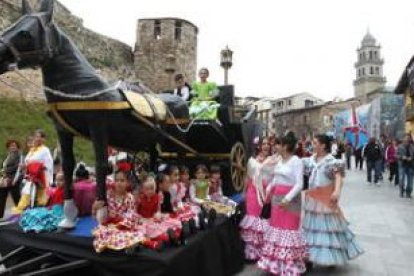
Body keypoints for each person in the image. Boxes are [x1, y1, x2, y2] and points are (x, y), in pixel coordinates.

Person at [302, 134, 363, 267]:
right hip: (312, 199)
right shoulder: (310, 160)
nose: (312, 145)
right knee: (312, 228)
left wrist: (337, 191)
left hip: (326, 198)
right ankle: (309, 258)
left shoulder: (331, 161)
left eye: (315, 142)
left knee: (328, 229)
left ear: (323, 145)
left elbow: (338, 176)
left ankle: (331, 256)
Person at [258, 132, 307, 275]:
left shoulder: (296, 161)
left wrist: (288, 198)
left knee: (289, 230)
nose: (275, 146)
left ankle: (290, 267)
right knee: (277, 229)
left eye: (278, 144)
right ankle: (277, 266)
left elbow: (299, 184)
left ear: (285, 146)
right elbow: (277, 178)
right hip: (276, 199)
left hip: (290, 201)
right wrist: (269, 187)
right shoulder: (279, 160)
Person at [92, 169, 144, 253]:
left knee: (130, 233)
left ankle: (130, 246)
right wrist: (95, 208)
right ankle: (128, 245)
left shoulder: (130, 197)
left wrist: (121, 221)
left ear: (127, 183)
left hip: (124, 225)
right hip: (109, 225)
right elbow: (95, 213)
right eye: (117, 180)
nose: (119, 183)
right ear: (114, 182)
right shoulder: (108, 195)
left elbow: (132, 214)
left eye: (122, 180)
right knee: (105, 233)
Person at [239, 136, 271, 261]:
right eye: (264, 143)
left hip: (267, 194)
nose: (266, 146)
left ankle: (264, 252)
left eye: (268, 143)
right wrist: (244, 192)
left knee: (264, 220)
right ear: (259, 146)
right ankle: (252, 253)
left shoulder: (273, 161)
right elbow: (247, 177)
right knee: (253, 221)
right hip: (253, 193)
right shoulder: (251, 161)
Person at [12, 129, 53, 214]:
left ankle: (39, 212)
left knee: (40, 196)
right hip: (31, 176)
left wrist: (39, 168)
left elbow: (49, 164)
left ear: (43, 139)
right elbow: (28, 161)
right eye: (36, 136)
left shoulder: (45, 150)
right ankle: (22, 210)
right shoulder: (32, 150)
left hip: (41, 176)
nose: (37, 138)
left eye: (39, 137)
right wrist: (25, 166)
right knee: (26, 192)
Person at [0, 140, 22, 218]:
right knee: (1, 197)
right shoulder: (8, 155)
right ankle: (0, 215)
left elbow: (17, 167)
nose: (12, 147)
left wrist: (5, 170)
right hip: (6, 180)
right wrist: (3, 172)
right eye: (10, 146)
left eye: (14, 145)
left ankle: (22, 214)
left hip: (14, 180)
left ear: (17, 147)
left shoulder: (19, 155)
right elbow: (4, 166)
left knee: (16, 198)